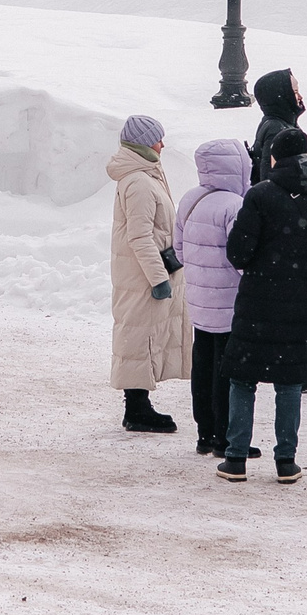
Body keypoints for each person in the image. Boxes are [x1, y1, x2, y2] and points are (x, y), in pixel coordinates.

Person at [218, 125, 307, 483]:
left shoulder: (260, 195)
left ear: (275, 156)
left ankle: (236, 458)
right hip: (302, 302)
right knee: (289, 384)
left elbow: (238, 252)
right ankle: (286, 461)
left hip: (257, 302)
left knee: (243, 379)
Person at [107, 114, 190, 433]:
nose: (163, 144)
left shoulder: (144, 175)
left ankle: (138, 405)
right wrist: (158, 278)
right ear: (143, 144)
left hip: (142, 271)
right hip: (142, 275)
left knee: (142, 336)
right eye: (158, 139)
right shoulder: (139, 182)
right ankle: (137, 409)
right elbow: (139, 236)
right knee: (139, 337)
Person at [175, 138, 258, 458]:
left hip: (199, 301)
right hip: (229, 305)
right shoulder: (235, 205)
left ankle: (204, 433)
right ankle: (226, 437)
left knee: (203, 364)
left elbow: (179, 250)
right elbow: (241, 258)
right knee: (227, 370)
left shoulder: (190, 199)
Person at [247, 68, 305, 185]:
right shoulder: (276, 129)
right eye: (294, 92)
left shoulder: (280, 121)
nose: (300, 97)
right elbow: (269, 174)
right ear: (283, 97)